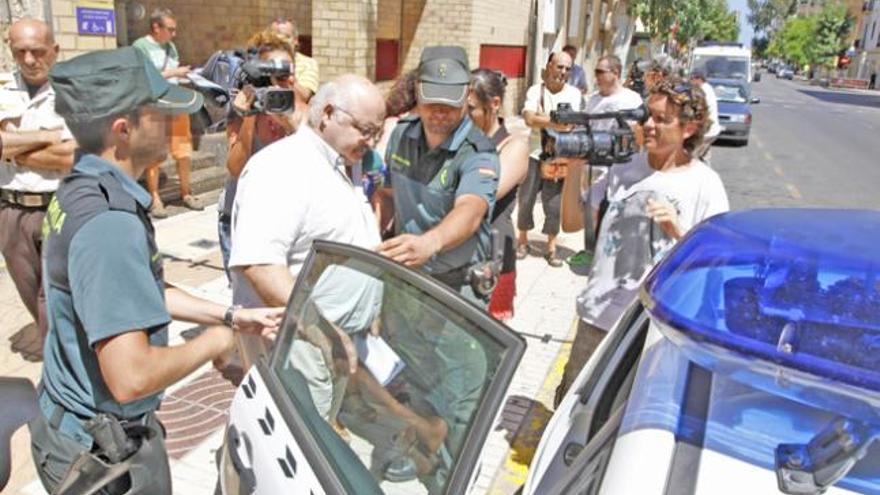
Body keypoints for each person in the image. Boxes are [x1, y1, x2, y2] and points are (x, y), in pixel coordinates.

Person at [31, 47, 282, 494]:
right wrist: (215, 344)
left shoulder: (85, 186)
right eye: (161, 114)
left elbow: (131, 292)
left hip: (81, 432)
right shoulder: (110, 225)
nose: (175, 125)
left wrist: (227, 317)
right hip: (99, 459)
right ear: (123, 130)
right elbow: (132, 377)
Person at [555, 78, 730, 405]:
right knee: (571, 408)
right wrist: (575, 168)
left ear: (689, 129)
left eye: (662, 120)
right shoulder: (623, 165)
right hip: (596, 319)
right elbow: (572, 221)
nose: (648, 125)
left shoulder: (706, 185)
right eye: (646, 116)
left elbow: (716, 266)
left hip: (648, 332)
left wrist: (680, 232)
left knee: (623, 417)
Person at [229, 75, 385, 427]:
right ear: (327, 113)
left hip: (326, 341)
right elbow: (260, 265)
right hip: (300, 343)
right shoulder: (283, 168)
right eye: (365, 130)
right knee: (295, 443)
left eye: (377, 132)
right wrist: (324, 332)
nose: (372, 141)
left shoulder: (337, 162)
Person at [377, 45, 500, 304]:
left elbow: (471, 210)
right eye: (432, 100)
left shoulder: (479, 151)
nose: (440, 111)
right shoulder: (401, 135)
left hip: (456, 288)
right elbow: (388, 195)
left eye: (450, 102)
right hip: (407, 277)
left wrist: (430, 243)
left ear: (467, 94)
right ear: (417, 91)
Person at [0, 18, 75, 340]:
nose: (29, 60)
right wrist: (49, 136)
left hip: (58, 207)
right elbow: (58, 147)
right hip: (12, 212)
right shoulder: (3, 89)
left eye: (38, 51)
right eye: (21, 52)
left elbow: (70, 155)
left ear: (55, 51)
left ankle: (67, 368)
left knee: (61, 299)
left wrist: (10, 147)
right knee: (32, 297)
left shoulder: (73, 92)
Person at [218, 29, 304, 278]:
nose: (280, 82)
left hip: (285, 217)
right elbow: (235, 168)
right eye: (271, 76)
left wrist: (287, 117)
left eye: (286, 74)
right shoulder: (244, 106)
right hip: (242, 216)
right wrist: (251, 115)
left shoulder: (304, 107)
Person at [567, 54, 644, 268]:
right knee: (589, 213)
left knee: (607, 215)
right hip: (591, 165)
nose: (597, 76)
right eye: (596, 72)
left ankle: (608, 255)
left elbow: (634, 137)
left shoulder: (631, 100)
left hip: (619, 168)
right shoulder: (594, 99)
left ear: (616, 73)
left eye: (601, 72)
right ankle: (590, 250)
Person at [467, 69, 528, 320]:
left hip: (493, 258)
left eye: (470, 108)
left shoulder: (514, 147)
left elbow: (486, 193)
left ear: (494, 104)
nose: (463, 115)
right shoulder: (462, 140)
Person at [132, 7, 201, 218]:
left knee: (184, 151)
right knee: (154, 154)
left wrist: (185, 76)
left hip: (176, 103)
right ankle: (155, 198)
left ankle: (186, 192)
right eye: (170, 29)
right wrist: (174, 72)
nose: (174, 34)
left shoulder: (171, 47)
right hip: (154, 106)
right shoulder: (140, 47)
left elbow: (172, 74)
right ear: (156, 27)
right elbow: (143, 78)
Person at [517, 51, 582, 267]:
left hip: (559, 157)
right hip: (535, 154)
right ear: (549, 66)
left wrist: (543, 119)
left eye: (567, 68)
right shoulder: (536, 90)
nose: (563, 72)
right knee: (526, 199)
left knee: (553, 204)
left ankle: (551, 247)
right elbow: (528, 119)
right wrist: (555, 122)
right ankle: (523, 241)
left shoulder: (574, 94)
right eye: (559, 67)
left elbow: (571, 124)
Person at [270, 17, 320, 103]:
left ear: (295, 40)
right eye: (275, 38)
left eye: (286, 37)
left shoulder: (308, 64)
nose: (281, 42)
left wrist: (285, 76)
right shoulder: (261, 61)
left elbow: (305, 96)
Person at [689, 69, 721, 162]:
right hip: (713, 130)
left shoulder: (702, 91)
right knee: (705, 155)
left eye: (692, 79)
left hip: (707, 131)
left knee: (692, 157)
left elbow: (699, 109)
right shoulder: (708, 88)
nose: (691, 82)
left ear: (699, 79)